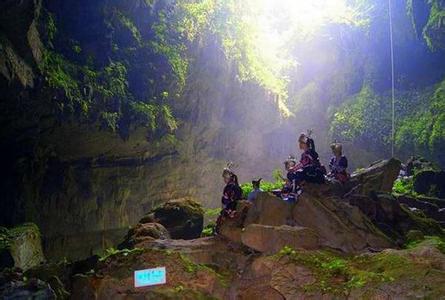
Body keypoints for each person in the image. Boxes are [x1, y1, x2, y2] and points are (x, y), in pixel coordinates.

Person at [282, 131, 326, 201]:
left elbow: (303, 164)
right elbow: (302, 164)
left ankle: (294, 192)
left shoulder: (310, 153)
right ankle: (293, 190)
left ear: (305, 144)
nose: (299, 144)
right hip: (307, 171)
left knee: (293, 174)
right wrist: (294, 169)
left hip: (313, 173)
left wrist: (293, 169)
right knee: (292, 174)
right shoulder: (305, 154)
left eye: (301, 143)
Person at [216, 163, 242, 233]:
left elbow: (225, 201)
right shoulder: (238, 187)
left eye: (224, 177)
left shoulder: (228, 187)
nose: (224, 179)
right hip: (237, 209)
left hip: (230, 210)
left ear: (228, 177)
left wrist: (224, 210)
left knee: (218, 226)